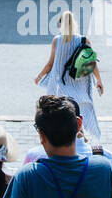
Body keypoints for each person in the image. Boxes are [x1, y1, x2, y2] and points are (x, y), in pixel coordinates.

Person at [34, 10, 104, 143]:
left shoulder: (57, 40)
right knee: (78, 113)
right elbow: (92, 63)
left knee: (62, 113)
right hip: (79, 85)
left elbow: (50, 64)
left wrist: (39, 77)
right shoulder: (84, 40)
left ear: (61, 24)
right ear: (74, 24)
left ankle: (66, 139)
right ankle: (81, 138)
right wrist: (99, 81)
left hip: (61, 86)